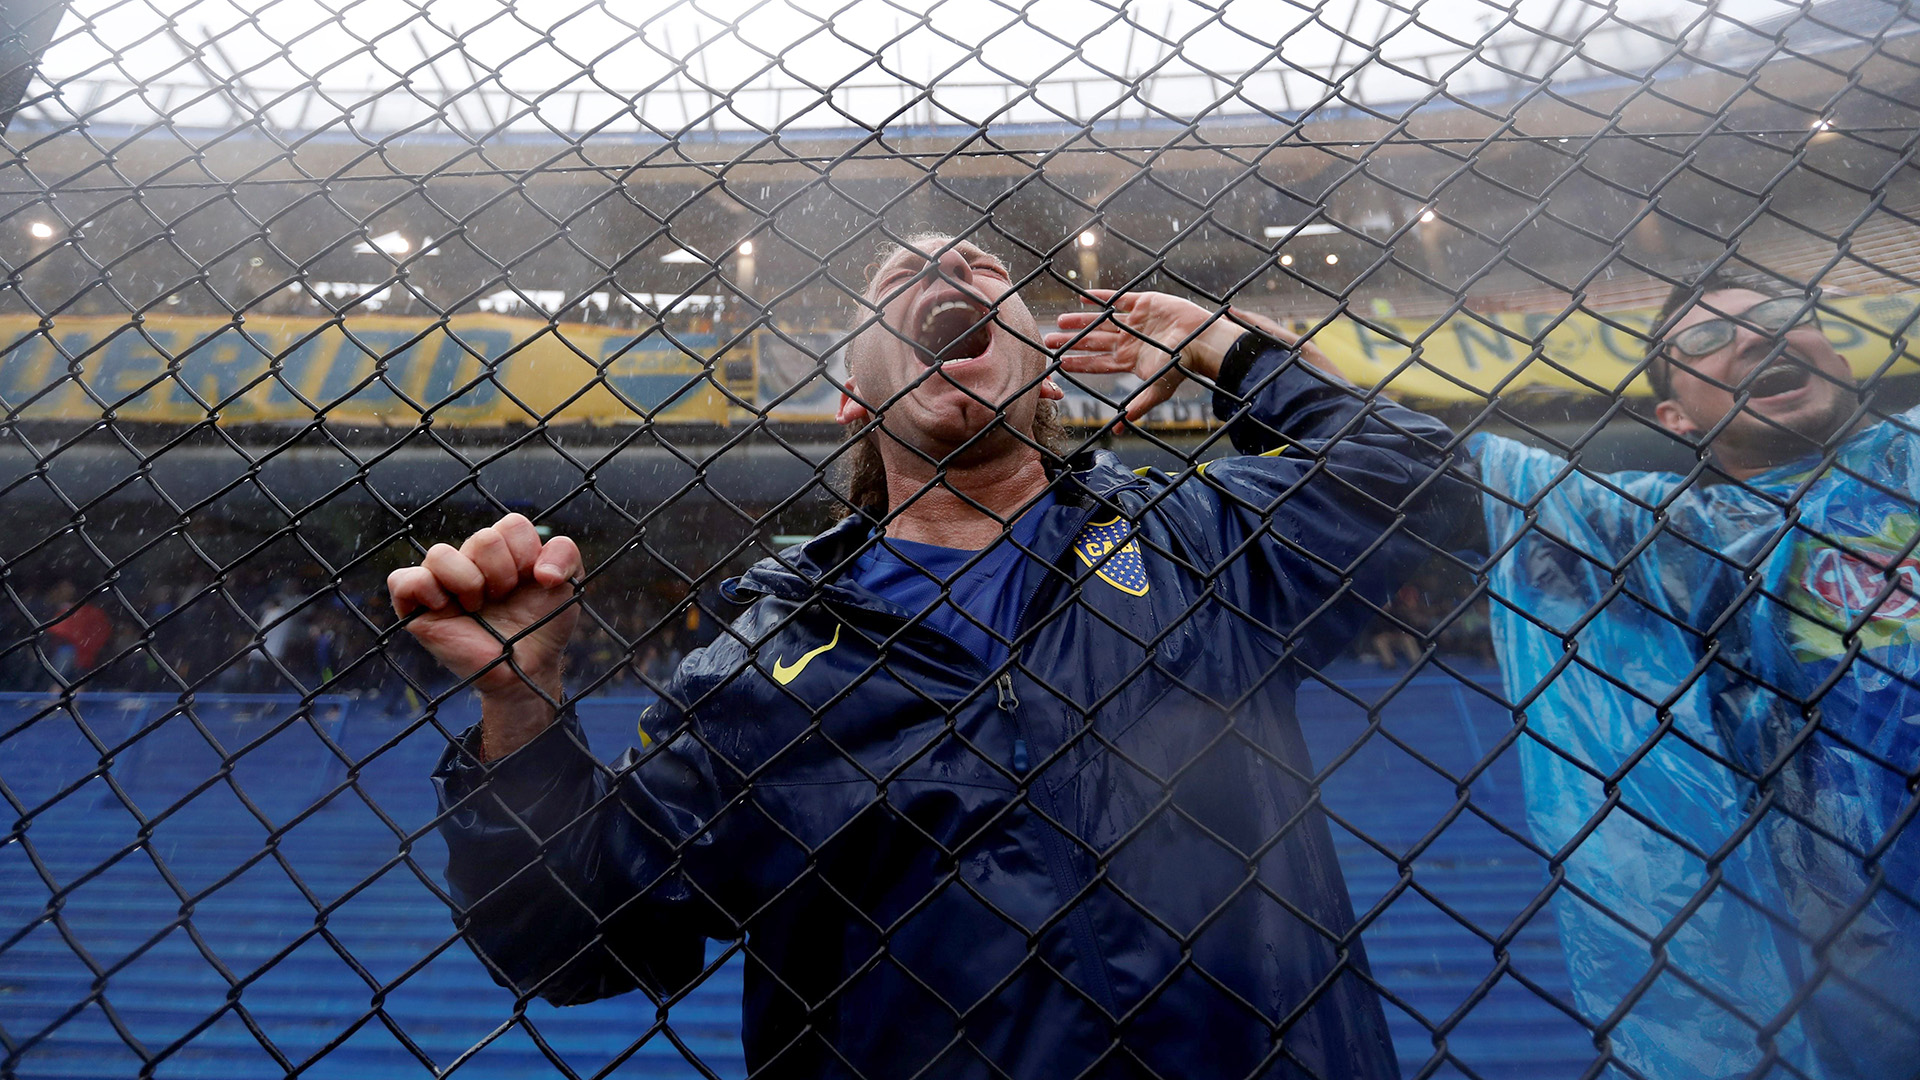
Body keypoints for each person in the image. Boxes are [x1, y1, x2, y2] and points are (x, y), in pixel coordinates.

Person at [394, 233, 1472, 1080]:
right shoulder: (754, 672)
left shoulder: (1196, 541)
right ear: (854, 399)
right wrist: (521, 710)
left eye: (983, 269)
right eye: (896, 275)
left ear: (1050, 375)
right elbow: (567, 941)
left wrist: (1223, 345)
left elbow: (1423, 481)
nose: (946, 267)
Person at [1472, 272, 1919, 1079]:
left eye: (1784, 316)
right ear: (1675, 417)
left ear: (1844, 357)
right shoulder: (1678, 543)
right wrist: (1252, 359)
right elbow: (1452, 473)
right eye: (1708, 340)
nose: (1755, 338)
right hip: (1859, 950)